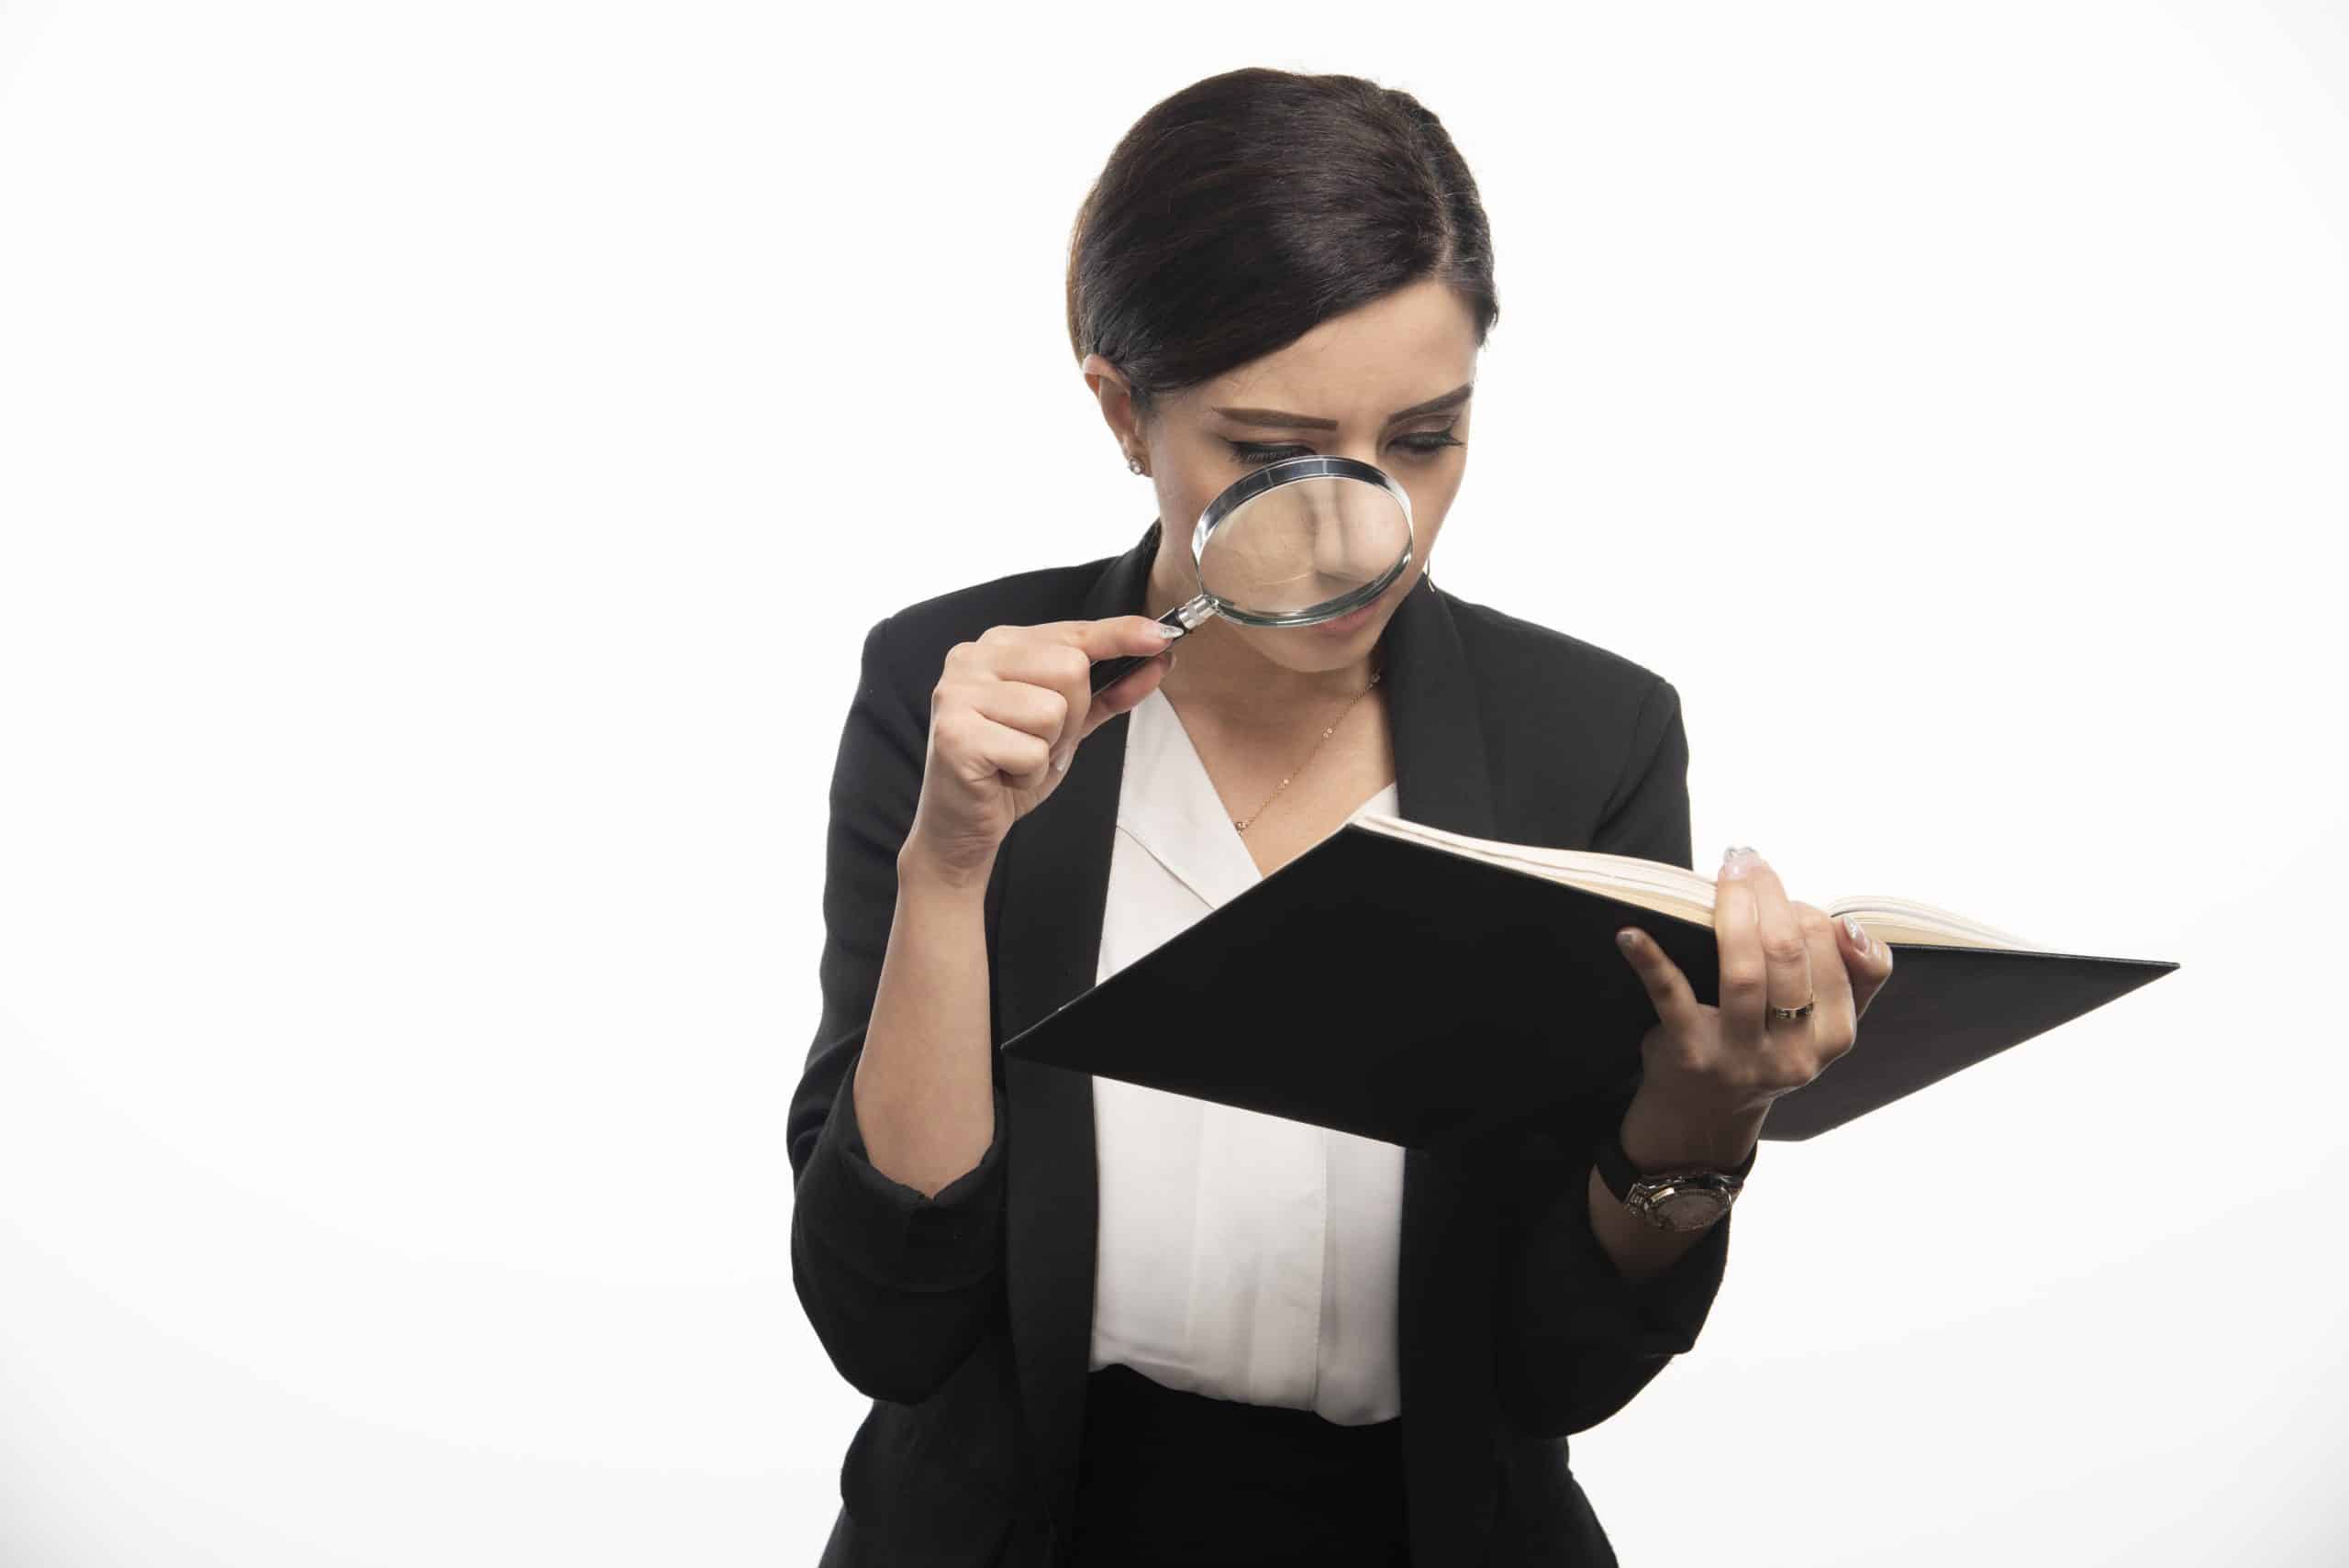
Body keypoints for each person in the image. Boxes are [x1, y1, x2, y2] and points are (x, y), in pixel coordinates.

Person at [787, 67, 1895, 1567]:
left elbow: (1556, 1371)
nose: (1360, 531)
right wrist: (948, 864)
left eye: (1424, 440)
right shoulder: (950, 689)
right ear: (1125, 412)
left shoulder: (1591, 738)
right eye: (1264, 453)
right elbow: (887, 1318)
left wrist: (1701, 1122)